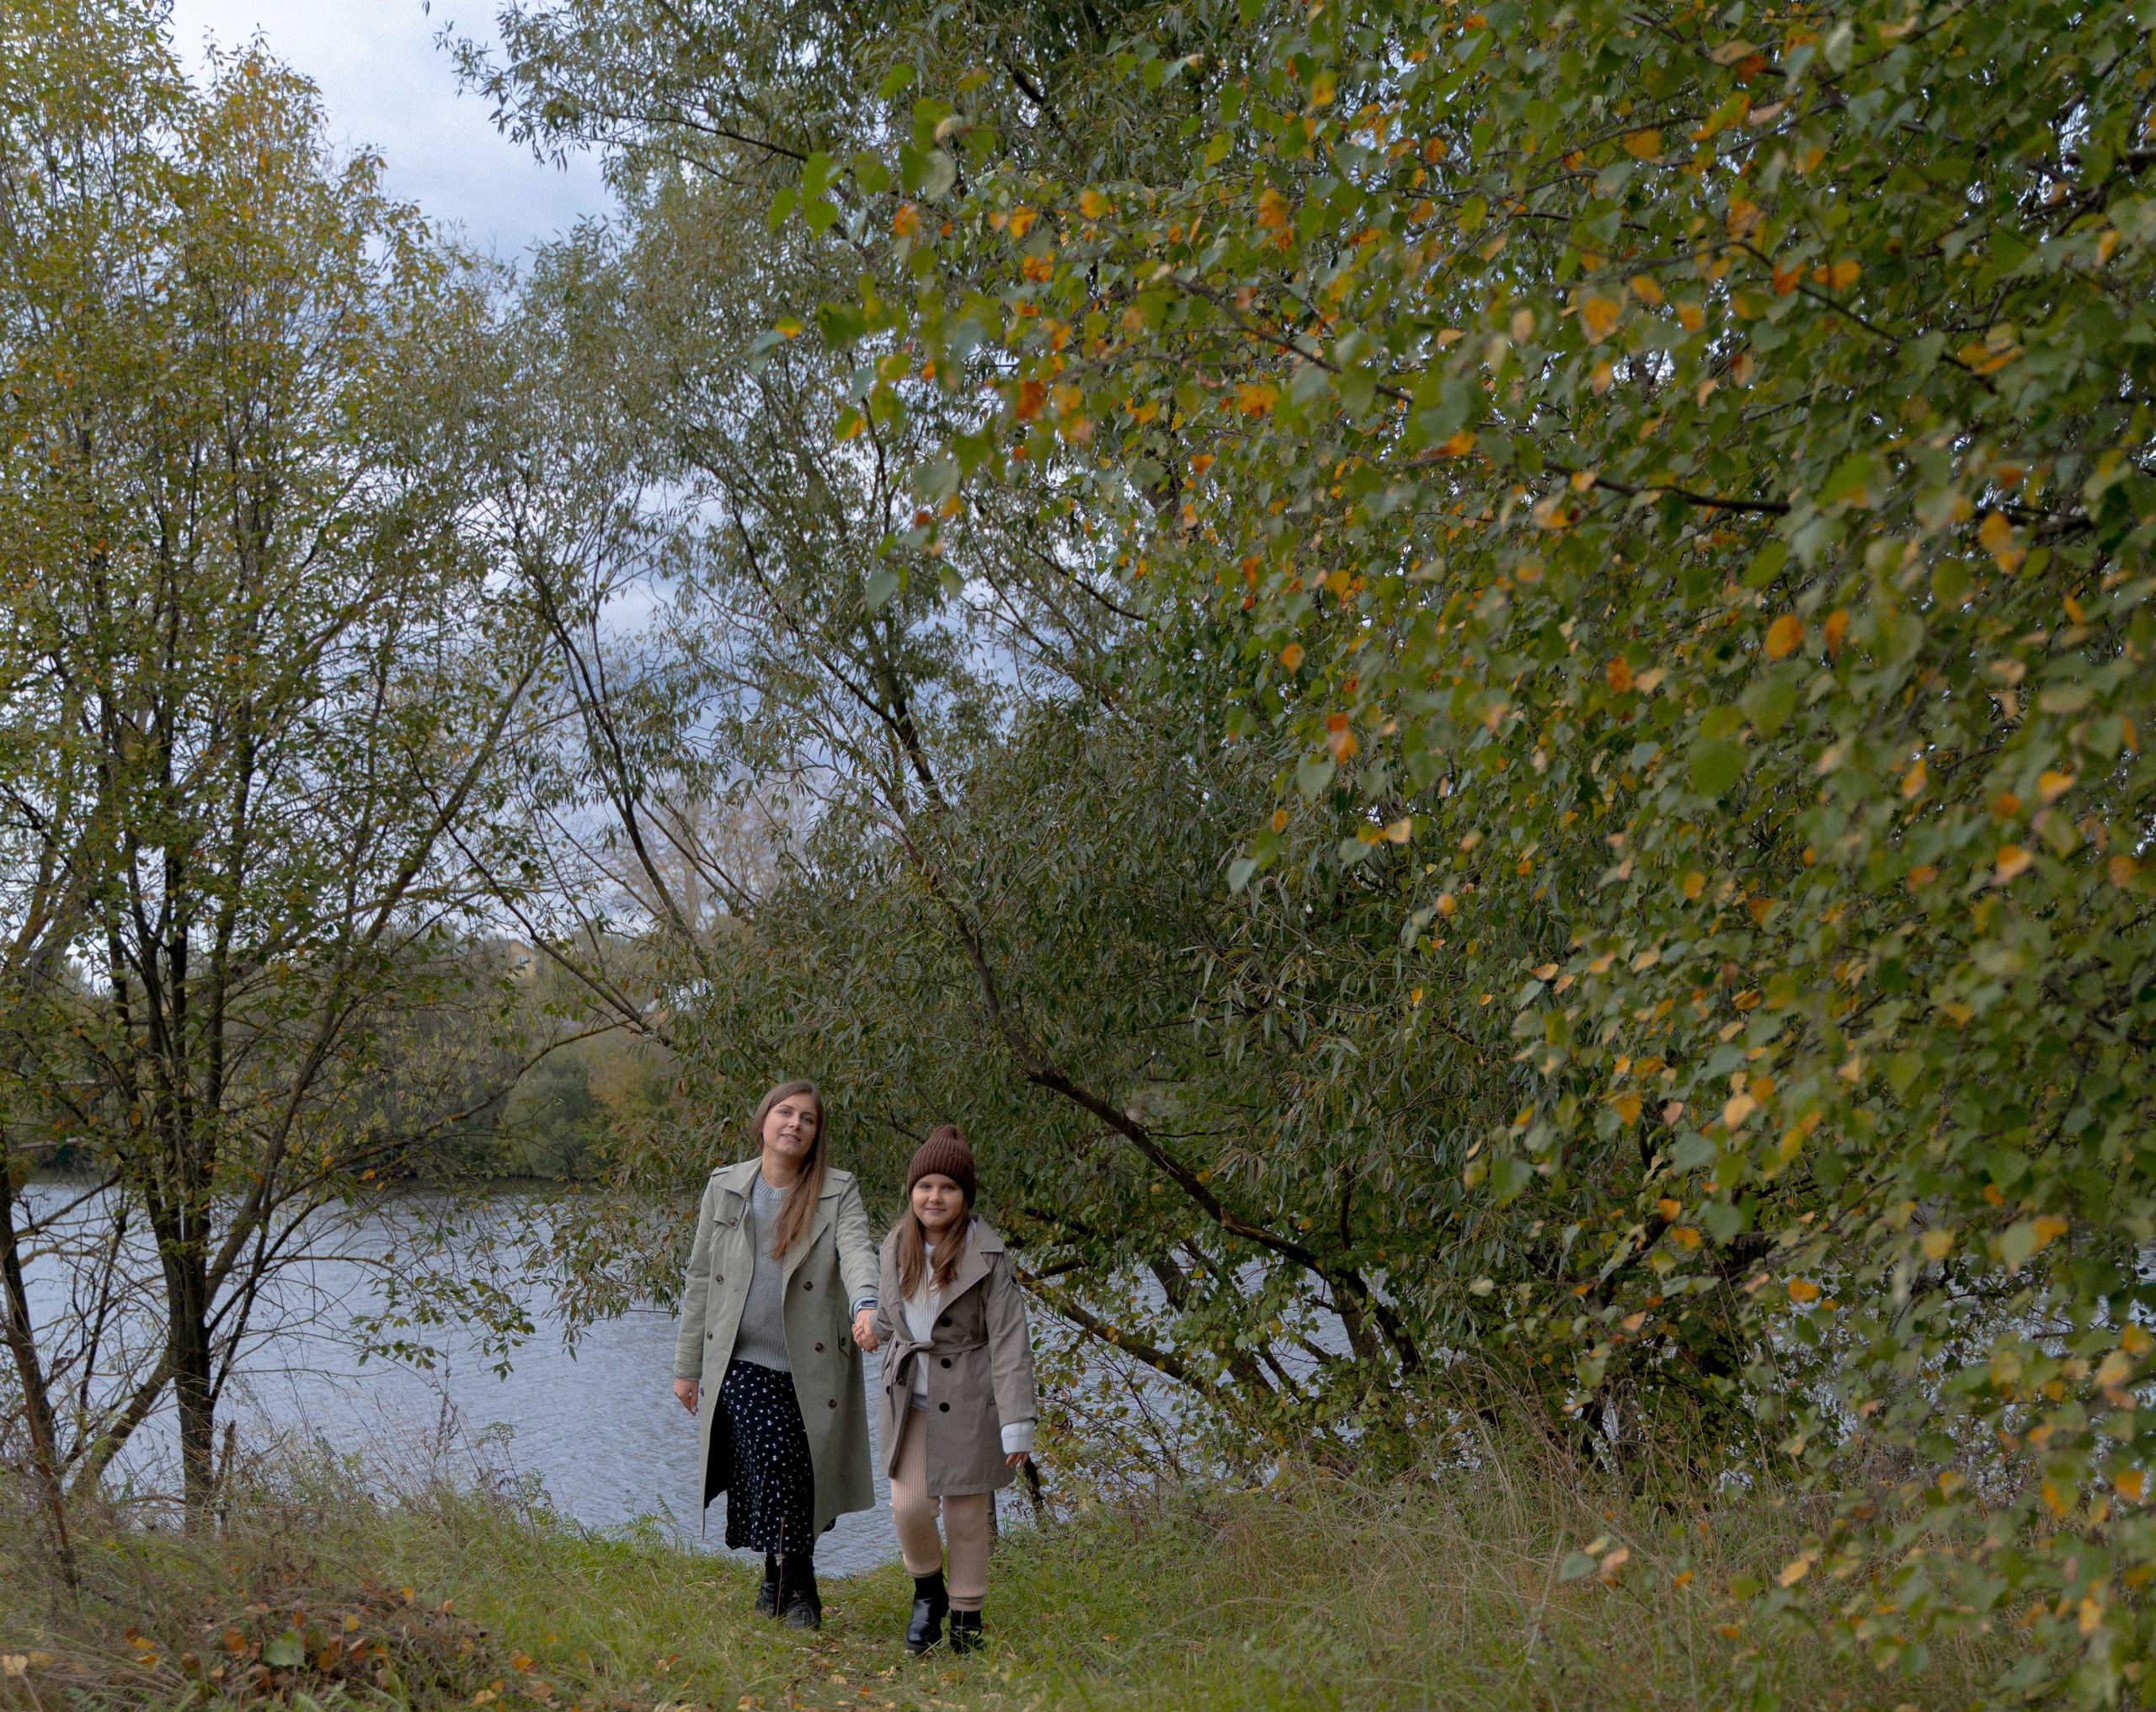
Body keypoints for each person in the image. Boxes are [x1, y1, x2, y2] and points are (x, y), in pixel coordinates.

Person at [671, 1080, 879, 1629]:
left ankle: (773, 1575)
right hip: (740, 1359)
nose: (794, 1123)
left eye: (807, 1118)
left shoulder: (838, 1190)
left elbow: (858, 1250)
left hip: (813, 1365)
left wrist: (865, 1304)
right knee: (778, 1455)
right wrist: (686, 1366)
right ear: (763, 1121)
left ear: (815, 1134)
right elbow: (700, 1279)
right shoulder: (726, 1186)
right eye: (784, 1112)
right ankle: (801, 1584)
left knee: (793, 1471)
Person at [873, 1126, 1038, 1656]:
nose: (934, 1197)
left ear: (965, 1196)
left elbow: (1010, 1339)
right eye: (925, 1187)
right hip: (911, 1398)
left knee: (967, 1514)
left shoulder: (987, 1256)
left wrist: (1017, 1420)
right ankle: (928, 1595)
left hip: (969, 1398)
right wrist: (872, 1327)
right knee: (908, 1507)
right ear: (911, 1192)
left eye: (948, 1188)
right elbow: (890, 1311)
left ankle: (967, 1616)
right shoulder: (895, 1245)